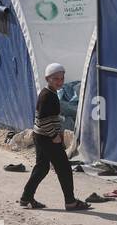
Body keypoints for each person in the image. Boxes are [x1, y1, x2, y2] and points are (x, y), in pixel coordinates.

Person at [19, 62, 89, 212]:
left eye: (61, 78)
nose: (59, 81)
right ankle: (70, 202)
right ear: (47, 79)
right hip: (47, 137)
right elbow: (43, 120)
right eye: (55, 78)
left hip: (41, 136)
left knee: (42, 167)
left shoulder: (50, 94)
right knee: (64, 168)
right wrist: (54, 136)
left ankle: (26, 198)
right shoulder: (47, 96)